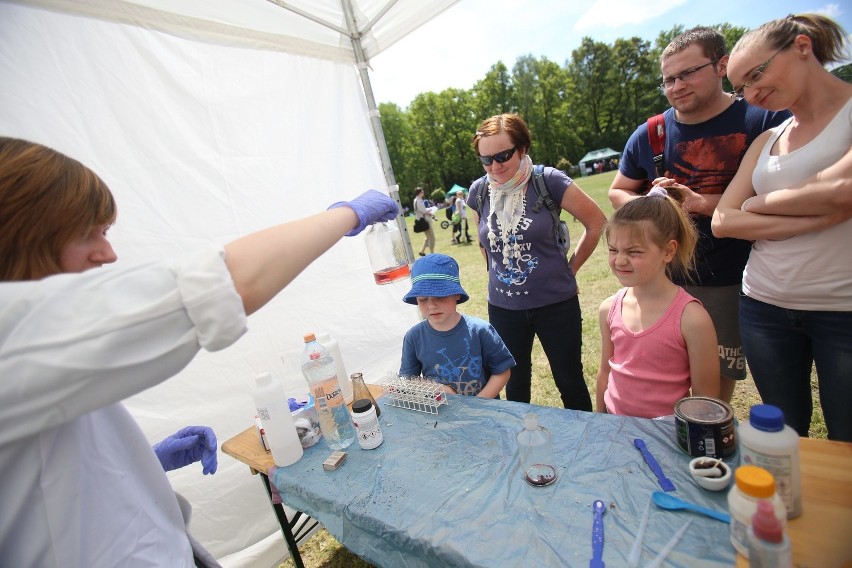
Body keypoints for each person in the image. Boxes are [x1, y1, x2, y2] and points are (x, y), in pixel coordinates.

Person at [0, 137, 399, 566]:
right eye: (87, 233)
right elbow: (223, 285)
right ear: (23, 238)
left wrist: (141, 460)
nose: (108, 253)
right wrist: (347, 215)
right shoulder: (13, 335)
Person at [609, 26, 791, 403]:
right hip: (663, 279)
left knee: (712, 391)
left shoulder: (763, 119)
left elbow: (786, 195)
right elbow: (618, 190)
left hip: (733, 277)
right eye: (669, 79)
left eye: (688, 73)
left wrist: (699, 203)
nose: (677, 85)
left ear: (721, 66)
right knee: (660, 380)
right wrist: (655, 206)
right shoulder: (651, 133)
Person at [712, 14, 852, 441]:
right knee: (784, 437)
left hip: (843, 310)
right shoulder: (767, 139)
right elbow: (721, 220)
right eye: (741, 89)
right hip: (764, 307)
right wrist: (815, 217)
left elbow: (842, 189)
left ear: (802, 47)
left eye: (756, 75)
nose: (752, 94)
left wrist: (756, 204)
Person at [467, 113, 606, 410]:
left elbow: (596, 222)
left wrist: (572, 269)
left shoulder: (549, 180)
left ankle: (584, 446)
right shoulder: (479, 191)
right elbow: (484, 240)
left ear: (523, 149)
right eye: (486, 159)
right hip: (504, 309)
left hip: (556, 305)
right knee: (515, 385)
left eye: (503, 155)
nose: (495, 166)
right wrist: (496, 271)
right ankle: (524, 449)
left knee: (569, 380)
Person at [597, 189, 720, 418]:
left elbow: (706, 399)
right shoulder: (609, 309)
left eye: (634, 252)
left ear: (668, 251)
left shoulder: (692, 319)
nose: (620, 260)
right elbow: (605, 372)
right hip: (615, 429)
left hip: (667, 436)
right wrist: (600, 420)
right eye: (613, 250)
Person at [399, 254, 515, 398]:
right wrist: (437, 387)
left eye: (440, 296)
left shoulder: (481, 330)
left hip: (484, 411)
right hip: (440, 412)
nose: (431, 305)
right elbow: (408, 381)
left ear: (457, 295)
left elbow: (502, 371)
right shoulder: (413, 337)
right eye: (423, 299)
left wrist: (478, 404)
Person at [413, 186, 435, 256]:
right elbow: (423, 211)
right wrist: (430, 212)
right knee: (432, 238)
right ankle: (432, 253)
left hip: (421, 220)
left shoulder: (416, 200)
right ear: (420, 193)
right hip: (425, 221)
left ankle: (422, 251)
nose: (423, 193)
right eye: (422, 191)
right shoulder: (419, 201)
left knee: (428, 237)